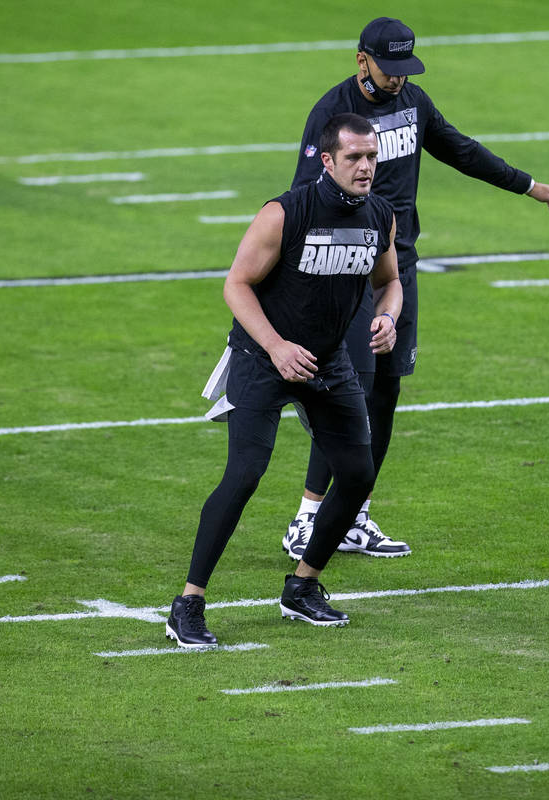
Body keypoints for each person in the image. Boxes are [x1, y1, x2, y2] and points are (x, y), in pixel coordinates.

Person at [280, 16, 549, 561]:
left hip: (398, 266)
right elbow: (301, 196)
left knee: (385, 392)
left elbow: (460, 149)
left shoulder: (413, 102)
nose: (397, 78)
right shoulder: (332, 114)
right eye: (388, 68)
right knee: (349, 393)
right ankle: (307, 520)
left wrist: (527, 185)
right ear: (361, 60)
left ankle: (353, 515)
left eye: (404, 68)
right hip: (346, 269)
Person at [165, 113, 403, 648]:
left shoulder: (379, 215)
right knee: (244, 475)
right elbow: (236, 284)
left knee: (358, 474)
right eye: (354, 158)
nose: (366, 167)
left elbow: (389, 281)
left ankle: (302, 586)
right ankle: (188, 604)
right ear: (327, 161)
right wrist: (276, 346)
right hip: (262, 358)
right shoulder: (284, 213)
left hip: (328, 363)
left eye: (372, 156)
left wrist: (388, 317)